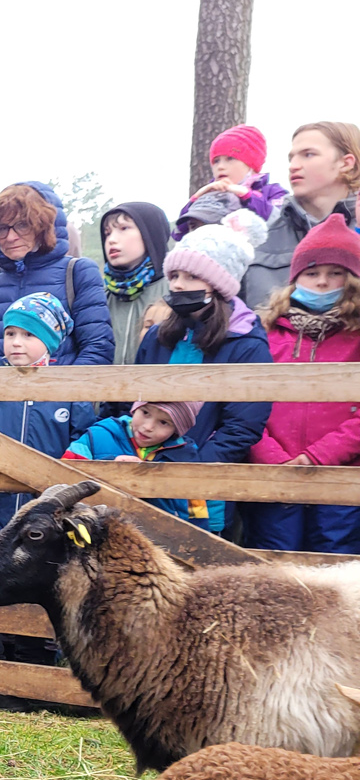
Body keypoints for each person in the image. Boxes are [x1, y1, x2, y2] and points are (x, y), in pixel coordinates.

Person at [0, 292, 92, 702]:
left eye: (28, 335)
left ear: (51, 342)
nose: (14, 342)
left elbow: (83, 450)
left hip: (43, 524)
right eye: (10, 332)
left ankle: (33, 674)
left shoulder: (70, 391)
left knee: (38, 584)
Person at [135, 209, 274, 538]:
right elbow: (128, 398)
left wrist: (184, 465)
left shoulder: (247, 346)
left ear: (219, 284)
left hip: (200, 485)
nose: (179, 284)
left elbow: (242, 425)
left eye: (191, 277)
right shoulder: (158, 337)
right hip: (141, 470)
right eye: (174, 276)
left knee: (196, 554)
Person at [246, 214, 360, 554]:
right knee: (274, 567)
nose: (322, 282)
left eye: (334, 273)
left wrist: (317, 456)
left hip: (342, 477)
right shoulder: (265, 334)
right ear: (296, 278)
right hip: (273, 474)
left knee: (336, 568)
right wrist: (271, 457)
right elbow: (245, 404)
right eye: (312, 273)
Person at [0, 181, 114, 370]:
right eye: (1, 228)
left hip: (58, 396)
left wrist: (75, 399)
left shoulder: (78, 273)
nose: (10, 237)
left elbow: (97, 349)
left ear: (44, 225)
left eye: (22, 225)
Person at [243, 121, 360, 306]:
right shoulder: (260, 241)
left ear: (346, 163)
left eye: (308, 154)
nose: (293, 166)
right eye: (291, 158)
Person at [65, 400, 209, 528]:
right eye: (145, 412)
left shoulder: (185, 456)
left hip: (161, 539)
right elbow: (64, 476)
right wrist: (108, 467)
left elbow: (196, 507)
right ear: (135, 409)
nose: (148, 427)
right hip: (96, 532)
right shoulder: (97, 436)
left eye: (164, 422)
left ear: (177, 430)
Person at [173, 125, 288, 241]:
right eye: (216, 161)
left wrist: (247, 196)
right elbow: (178, 234)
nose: (220, 167)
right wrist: (196, 198)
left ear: (251, 165)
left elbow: (281, 224)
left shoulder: (272, 192)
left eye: (230, 159)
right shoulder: (210, 194)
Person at [99, 201, 172, 365]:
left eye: (124, 228)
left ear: (151, 233)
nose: (111, 240)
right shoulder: (100, 297)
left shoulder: (175, 291)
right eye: (107, 233)